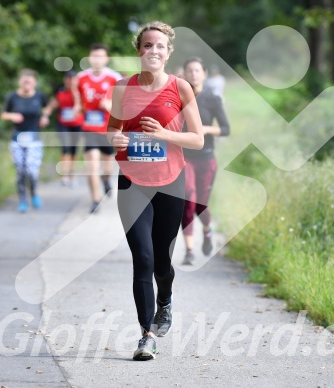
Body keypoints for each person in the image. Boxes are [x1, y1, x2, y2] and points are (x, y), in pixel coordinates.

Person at [107, 21, 204, 361]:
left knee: (162, 261)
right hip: (132, 182)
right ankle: (146, 335)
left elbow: (197, 138)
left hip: (170, 182)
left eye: (160, 46)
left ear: (168, 52)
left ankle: (166, 300)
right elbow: (113, 131)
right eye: (147, 46)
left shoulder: (180, 88)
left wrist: (164, 135)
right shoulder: (122, 88)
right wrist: (116, 139)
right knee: (143, 259)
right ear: (139, 51)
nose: (153, 51)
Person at [180, 57, 230, 265]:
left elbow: (226, 129)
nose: (193, 74)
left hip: (206, 158)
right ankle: (190, 251)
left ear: (204, 74)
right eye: (190, 70)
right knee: (188, 201)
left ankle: (207, 231)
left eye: (197, 70)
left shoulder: (212, 98)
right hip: (184, 158)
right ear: (184, 74)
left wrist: (205, 130)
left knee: (201, 204)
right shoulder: (178, 97)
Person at [75, 43, 123, 213]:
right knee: (91, 165)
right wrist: (77, 109)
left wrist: (108, 105)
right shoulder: (80, 78)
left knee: (107, 165)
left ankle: (106, 179)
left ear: (106, 59)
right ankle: (95, 200)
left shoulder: (115, 78)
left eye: (100, 57)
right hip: (89, 128)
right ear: (89, 57)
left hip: (108, 128)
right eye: (94, 56)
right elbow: (78, 101)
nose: (97, 60)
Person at [1, 69, 49, 213]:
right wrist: (12, 116)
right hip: (17, 139)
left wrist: (45, 116)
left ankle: (33, 192)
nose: (27, 83)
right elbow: (3, 114)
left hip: (34, 139)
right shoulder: (13, 97)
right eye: (24, 81)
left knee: (31, 170)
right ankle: (22, 199)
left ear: (34, 82)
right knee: (20, 170)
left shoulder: (39, 96)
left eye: (29, 81)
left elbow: (47, 107)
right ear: (19, 81)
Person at [44, 70, 84, 187]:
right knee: (65, 147)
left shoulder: (79, 92)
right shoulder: (59, 91)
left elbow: (79, 105)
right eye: (68, 79)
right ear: (65, 80)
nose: (70, 82)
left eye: (73, 79)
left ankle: (72, 174)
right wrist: (45, 114)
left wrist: (74, 90)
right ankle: (64, 175)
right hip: (63, 124)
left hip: (77, 124)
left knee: (73, 149)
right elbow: (52, 104)